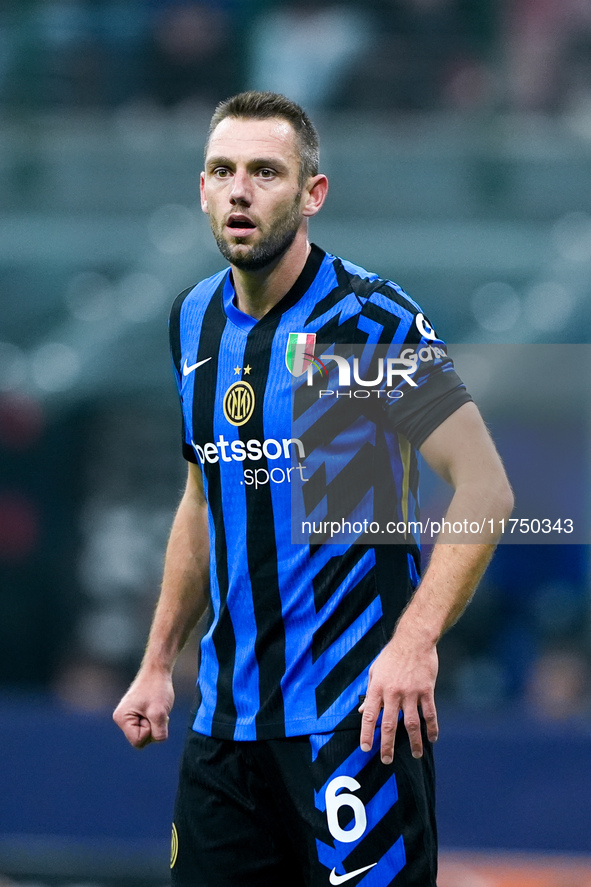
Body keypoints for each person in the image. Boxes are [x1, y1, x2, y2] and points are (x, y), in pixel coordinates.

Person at [113, 91, 513, 887]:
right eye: (223, 171)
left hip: (351, 723)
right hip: (224, 732)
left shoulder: (363, 326)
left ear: (311, 194)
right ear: (201, 188)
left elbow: (484, 488)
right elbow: (203, 498)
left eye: (265, 172)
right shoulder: (193, 320)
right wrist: (159, 659)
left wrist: (412, 642)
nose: (240, 190)